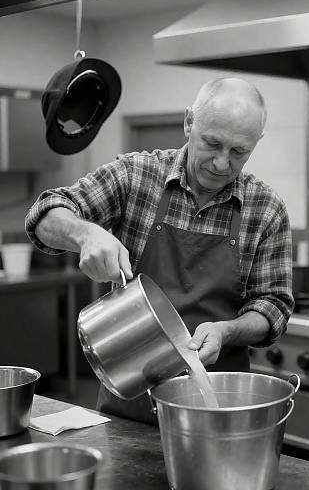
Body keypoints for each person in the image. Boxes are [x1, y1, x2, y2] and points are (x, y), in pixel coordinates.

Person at [25, 77, 294, 424]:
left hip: (213, 407)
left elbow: (273, 307)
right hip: (129, 402)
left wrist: (226, 331)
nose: (221, 164)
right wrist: (86, 234)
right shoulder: (135, 176)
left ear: (257, 143)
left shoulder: (267, 208)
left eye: (239, 152)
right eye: (212, 143)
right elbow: (44, 215)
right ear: (188, 122)